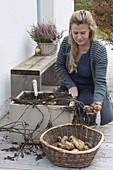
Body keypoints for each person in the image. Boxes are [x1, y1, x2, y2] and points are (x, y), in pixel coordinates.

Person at [55, 10, 113, 126]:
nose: (79, 37)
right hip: (69, 85)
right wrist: (70, 85)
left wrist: (97, 102)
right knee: (59, 114)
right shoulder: (66, 43)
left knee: (85, 112)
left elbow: (100, 82)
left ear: (90, 31)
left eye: (83, 33)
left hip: (89, 89)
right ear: (70, 30)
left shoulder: (98, 50)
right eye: (75, 33)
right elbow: (59, 66)